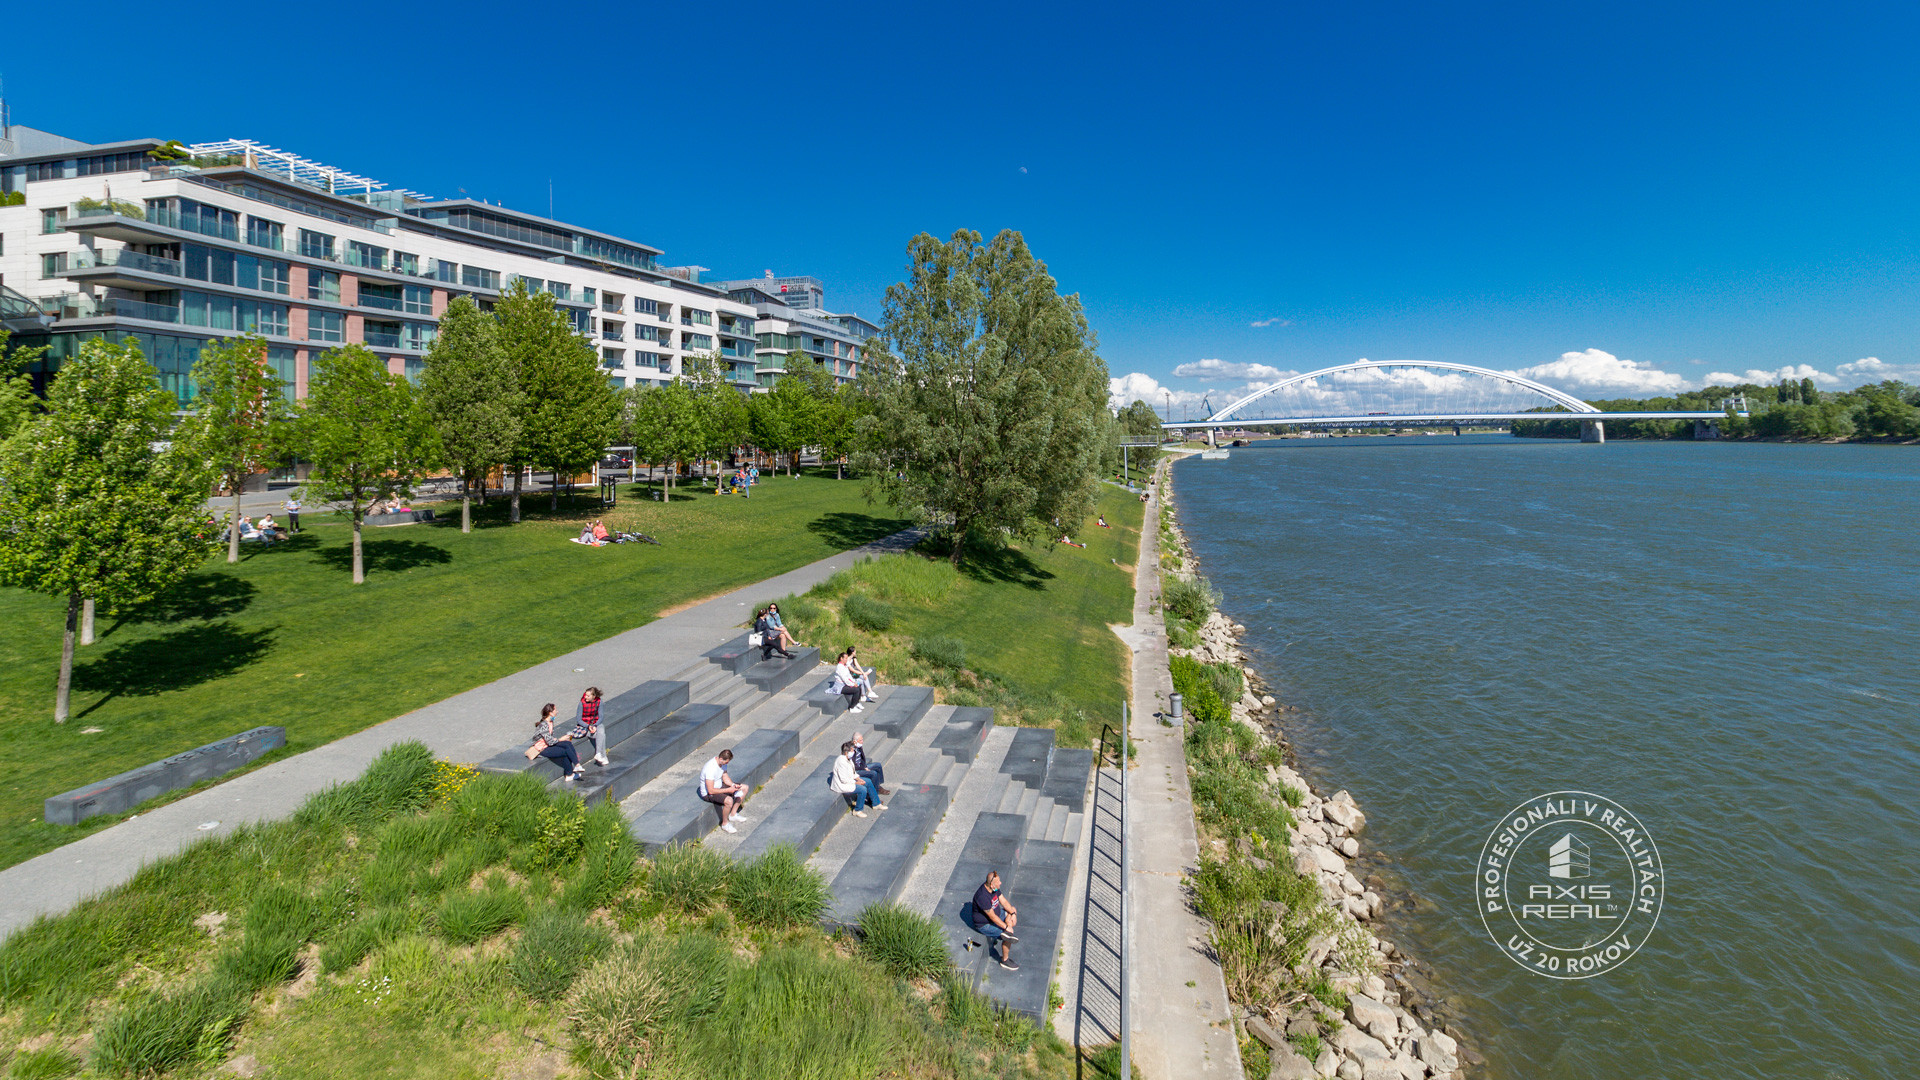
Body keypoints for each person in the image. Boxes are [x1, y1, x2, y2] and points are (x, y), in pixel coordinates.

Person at [970, 870, 1020, 970]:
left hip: (997, 915)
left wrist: (1013, 914)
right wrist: (1006, 927)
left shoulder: (994, 889)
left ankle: (1007, 930)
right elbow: (992, 917)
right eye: (998, 882)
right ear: (992, 885)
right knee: (1008, 937)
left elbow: (1003, 901)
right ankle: (1005, 960)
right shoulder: (982, 897)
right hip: (985, 924)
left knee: (1013, 909)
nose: (1000, 883)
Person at [526, 703, 585, 783]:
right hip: (542, 749)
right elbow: (549, 741)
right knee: (565, 751)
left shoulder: (550, 722)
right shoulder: (543, 725)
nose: (557, 711)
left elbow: (550, 739)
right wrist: (560, 739)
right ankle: (569, 774)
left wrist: (562, 740)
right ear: (550, 713)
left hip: (547, 745)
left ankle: (576, 766)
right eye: (555, 710)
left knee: (567, 744)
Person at [698, 748, 749, 833]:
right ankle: (725, 824)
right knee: (729, 801)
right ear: (721, 759)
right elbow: (711, 790)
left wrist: (733, 785)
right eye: (726, 762)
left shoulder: (722, 763)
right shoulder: (710, 768)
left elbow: (725, 778)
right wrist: (728, 790)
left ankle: (733, 814)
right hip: (708, 793)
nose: (727, 764)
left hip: (719, 785)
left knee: (744, 788)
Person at [830, 740, 882, 818]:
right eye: (852, 750)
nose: (853, 751)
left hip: (850, 780)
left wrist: (858, 779)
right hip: (842, 784)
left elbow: (853, 772)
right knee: (862, 789)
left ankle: (876, 804)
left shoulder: (848, 759)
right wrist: (856, 783)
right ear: (846, 752)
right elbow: (843, 780)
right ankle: (857, 810)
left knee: (868, 781)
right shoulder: (841, 762)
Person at [572, 686, 608, 765]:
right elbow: (579, 720)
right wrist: (588, 726)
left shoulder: (599, 702)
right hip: (585, 726)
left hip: (595, 723)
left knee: (601, 730)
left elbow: (601, 717)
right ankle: (603, 756)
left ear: (593, 696)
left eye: (588, 696)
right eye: (585, 695)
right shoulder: (581, 703)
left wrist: (595, 725)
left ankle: (598, 753)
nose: (585, 697)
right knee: (602, 736)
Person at [850, 731, 890, 796]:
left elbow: (862, 758)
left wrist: (865, 766)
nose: (862, 742)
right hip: (856, 771)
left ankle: (878, 786)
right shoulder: (850, 750)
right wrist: (864, 768)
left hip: (861, 766)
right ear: (855, 741)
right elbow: (853, 766)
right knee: (873, 773)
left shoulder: (859, 746)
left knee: (878, 765)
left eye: (862, 740)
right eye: (860, 740)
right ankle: (875, 794)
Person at [829, 650, 864, 714]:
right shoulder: (840, 667)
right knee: (856, 690)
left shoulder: (845, 666)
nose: (846, 660)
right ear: (841, 658)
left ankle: (856, 703)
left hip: (845, 684)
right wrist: (852, 684)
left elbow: (849, 676)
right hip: (840, 686)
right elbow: (845, 679)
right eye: (845, 658)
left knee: (859, 686)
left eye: (847, 658)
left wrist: (854, 682)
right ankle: (852, 707)